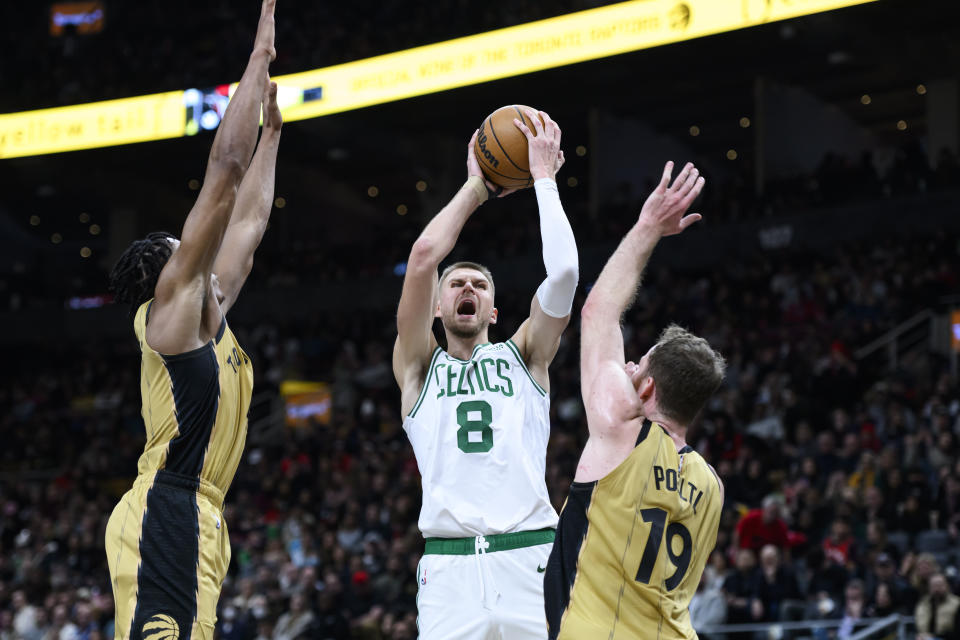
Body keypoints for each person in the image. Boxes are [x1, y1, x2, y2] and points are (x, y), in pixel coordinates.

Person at [103, 2, 282, 638]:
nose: (201, 248)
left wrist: (274, 136)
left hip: (204, 515)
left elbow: (252, 222)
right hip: (168, 503)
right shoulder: (172, 311)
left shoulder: (211, 313)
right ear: (167, 273)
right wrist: (256, 66)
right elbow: (225, 176)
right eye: (186, 250)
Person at [392, 110, 577, 639]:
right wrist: (477, 186)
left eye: (479, 285)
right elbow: (425, 255)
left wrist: (543, 179)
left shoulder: (527, 354)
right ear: (435, 306)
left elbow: (563, 273)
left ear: (495, 310)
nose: (467, 290)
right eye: (456, 285)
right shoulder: (417, 368)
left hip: (530, 557)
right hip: (450, 570)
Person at [544, 161, 725, 639]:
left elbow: (598, 312)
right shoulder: (712, 486)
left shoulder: (622, 430)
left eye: (636, 366)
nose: (625, 368)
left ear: (646, 390)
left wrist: (648, 227)